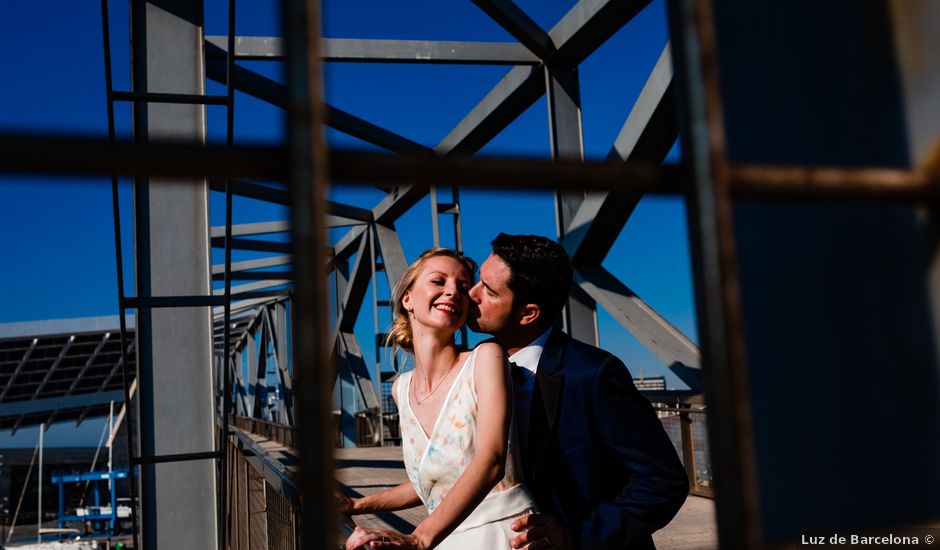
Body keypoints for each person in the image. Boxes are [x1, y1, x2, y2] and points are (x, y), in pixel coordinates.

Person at [466, 233, 689, 550]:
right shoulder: (470, 370)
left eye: (488, 291)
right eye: (478, 281)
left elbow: (662, 482)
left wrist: (577, 536)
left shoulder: (594, 374)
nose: (470, 293)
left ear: (528, 313)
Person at [339, 248, 536, 550]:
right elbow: (433, 483)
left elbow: (491, 460)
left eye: (462, 286)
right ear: (408, 299)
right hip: (446, 536)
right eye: (438, 281)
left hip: (506, 535)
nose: (452, 292)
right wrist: (356, 504)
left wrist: (418, 537)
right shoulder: (401, 390)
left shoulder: (485, 358)